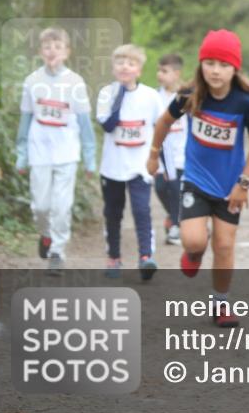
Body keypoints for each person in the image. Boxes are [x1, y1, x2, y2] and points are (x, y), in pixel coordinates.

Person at [147, 29, 249, 328]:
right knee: (194, 240)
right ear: (201, 64)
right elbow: (164, 122)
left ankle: (221, 303)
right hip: (196, 181)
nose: (216, 70)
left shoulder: (245, 102)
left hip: (230, 189)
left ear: (234, 68)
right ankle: (195, 251)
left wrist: (244, 184)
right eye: (209, 62)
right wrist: (153, 153)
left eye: (223, 64)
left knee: (225, 246)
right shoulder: (190, 95)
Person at [16, 26, 96, 276]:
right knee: (40, 206)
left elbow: (84, 124)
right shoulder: (32, 81)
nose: (52, 51)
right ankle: (46, 235)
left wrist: (90, 159)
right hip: (39, 149)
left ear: (67, 52)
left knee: (62, 206)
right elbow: (26, 119)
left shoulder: (75, 83)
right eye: (47, 47)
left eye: (57, 47)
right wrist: (21, 154)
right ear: (40, 51)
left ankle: (57, 252)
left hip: (67, 152)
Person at [96, 44, 164, 280]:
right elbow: (107, 125)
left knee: (141, 210)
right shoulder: (106, 93)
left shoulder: (151, 96)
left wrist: (160, 162)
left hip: (140, 166)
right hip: (112, 167)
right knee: (113, 214)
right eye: (120, 62)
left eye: (131, 63)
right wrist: (121, 95)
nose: (125, 66)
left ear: (139, 69)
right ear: (114, 67)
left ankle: (146, 257)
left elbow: (160, 128)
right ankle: (114, 257)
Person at [155, 54, 186, 245]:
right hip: (160, 152)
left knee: (175, 188)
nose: (160, 75)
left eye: (164, 71)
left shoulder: (186, 95)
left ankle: (175, 225)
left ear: (176, 73)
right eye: (159, 70)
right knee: (160, 188)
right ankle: (177, 216)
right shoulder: (154, 96)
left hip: (181, 152)